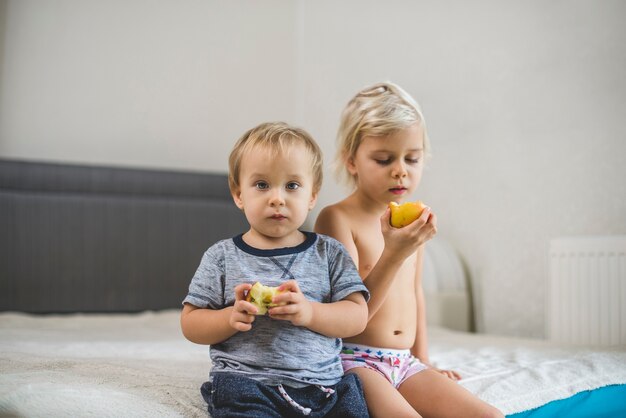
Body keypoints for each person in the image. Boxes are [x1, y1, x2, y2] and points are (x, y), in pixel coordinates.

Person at [315, 82, 503, 418]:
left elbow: (415, 294)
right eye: (384, 159)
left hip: (405, 362)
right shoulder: (336, 219)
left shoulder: (410, 220)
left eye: (412, 158)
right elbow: (348, 320)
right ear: (351, 161)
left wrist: (425, 361)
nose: (401, 169)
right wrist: (396, 253)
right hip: (353, 360)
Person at [181, 122, 371, 418]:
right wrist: (229, 318)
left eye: (292, 186)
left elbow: (357, 317)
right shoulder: (221, 256)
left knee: (354, 403)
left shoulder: (330, 252)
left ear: (312, 196)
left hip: (325, 388)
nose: (277, 198)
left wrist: (309, 312)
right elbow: (190, 323)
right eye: (261, 185)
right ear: (238, 194)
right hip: (247, 383)